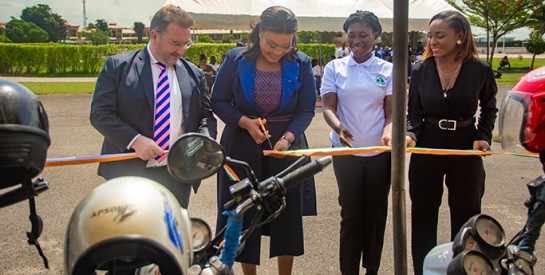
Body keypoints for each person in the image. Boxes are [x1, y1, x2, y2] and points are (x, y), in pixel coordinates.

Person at [211, 6, 316, 275]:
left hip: (287, 145)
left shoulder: (301, 63)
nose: (278, 51)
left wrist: (289, 138)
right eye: (271, 44)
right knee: (244, 213)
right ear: (258, 32)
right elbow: (218, 101)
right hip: (242, 145)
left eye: (285, 45)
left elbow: (306, 109)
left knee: (287, 213)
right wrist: (245, 122)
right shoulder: (235, 59)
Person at [89, 4, 217, 209]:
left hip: (178, 175)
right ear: (154, 35)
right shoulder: (118, 67)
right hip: (128, 174)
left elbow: (205, 116)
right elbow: (100, 114)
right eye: (175, 43)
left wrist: (204, 141)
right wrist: (135, 140)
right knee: (131, 236)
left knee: (171, 235)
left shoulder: (194, 73)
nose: (181, 51)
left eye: (186, 44)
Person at [405, 10, 498, 274]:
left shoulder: (480, 70)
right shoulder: (421, 68)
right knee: (423, 216)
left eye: (440, 35)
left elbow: (489, 108)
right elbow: (415, 112)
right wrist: (411, 134)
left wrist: (483, 137)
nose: (432, 41)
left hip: (466, 146)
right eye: (430, 36)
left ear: (460, 37)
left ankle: (464, 268)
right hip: (427, 146)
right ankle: (424, 269)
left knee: (466, 218)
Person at [320, 10, 392, 275]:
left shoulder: (388, 69)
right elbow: (328, 108)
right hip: (345, 152)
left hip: (379, 153)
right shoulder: (334, 67)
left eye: (363, 35)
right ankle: (348, 270)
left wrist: (389, 131)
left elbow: (391, 113)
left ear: (375, 36)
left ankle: (371, 269)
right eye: (352, 35)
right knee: (350, 214)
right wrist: (339, 128)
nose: (357, 40)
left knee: (376, 214)